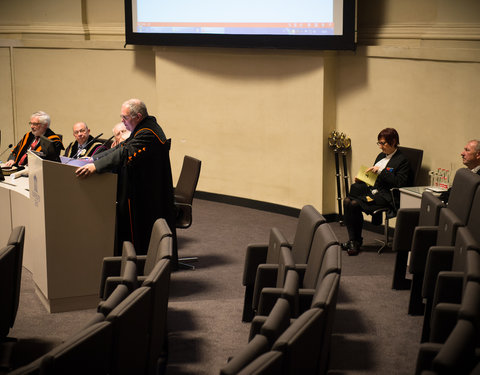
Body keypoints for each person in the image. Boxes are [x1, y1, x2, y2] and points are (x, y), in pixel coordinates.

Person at [75, 99, 177, 263]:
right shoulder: (143, 128)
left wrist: (96, 167)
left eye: (125, 117)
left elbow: (126, 152)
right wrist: (94, 159)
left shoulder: (148, 132)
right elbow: (120, 148)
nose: (122, 121)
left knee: (144, 230)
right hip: (144, 186)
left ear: (137, 116)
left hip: (149, 191)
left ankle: (145, 264)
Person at [342, 128, 412, 256]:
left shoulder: (402, 160)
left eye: (383, 143)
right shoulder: (381, 156)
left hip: (388, 195)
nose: (381, 147)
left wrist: (380, 171)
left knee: (353, 204)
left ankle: (355, 242)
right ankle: (354, 241)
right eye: (379, 143)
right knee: (347, 201)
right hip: (375, 190)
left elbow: (400, 183)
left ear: (394, 141)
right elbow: (374, 178)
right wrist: (362, 179)